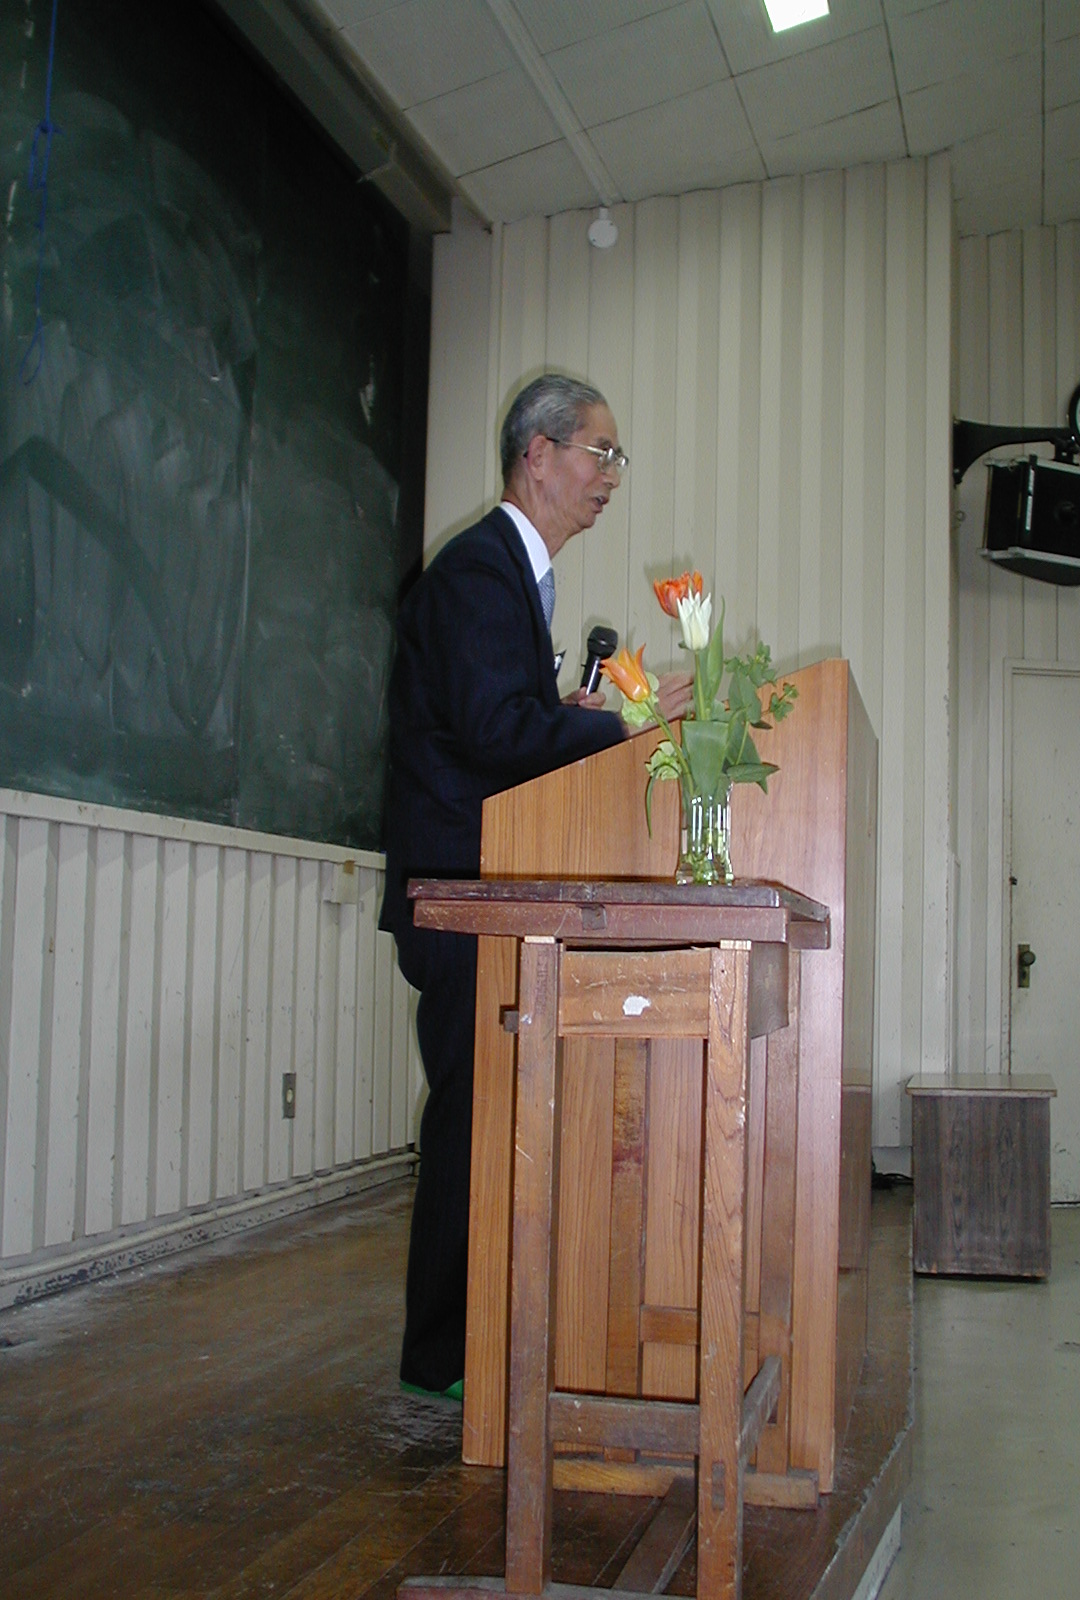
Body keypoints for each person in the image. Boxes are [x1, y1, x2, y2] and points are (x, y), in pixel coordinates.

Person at [380, 373, 691, 1396]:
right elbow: (495, 734)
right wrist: (623, 724)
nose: (612, 477)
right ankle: (442, 1357)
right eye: (601, 453)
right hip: (461, 887)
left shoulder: (511, 574)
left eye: (615, 458)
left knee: (487, 1106)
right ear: (538, 454)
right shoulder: (481, 571)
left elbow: (499, 724)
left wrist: (570, 717)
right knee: (474, 1113)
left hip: (482, 880)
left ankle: (473, 1340)